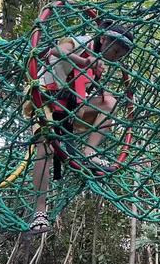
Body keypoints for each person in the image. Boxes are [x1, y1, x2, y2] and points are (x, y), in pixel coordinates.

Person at [29, 20, 134, 234]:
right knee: (45, 146)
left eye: (120, 55)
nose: (116, 57)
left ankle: (90, 153)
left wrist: (98, 83)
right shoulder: (82, 42)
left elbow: (85, 92)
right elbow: (56, 50)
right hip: (45, 102)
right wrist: (82, 60)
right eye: (114, 50)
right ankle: (39, 212)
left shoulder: (100, 64)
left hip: (71, 110)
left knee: (109, 103)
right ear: (103, 39)